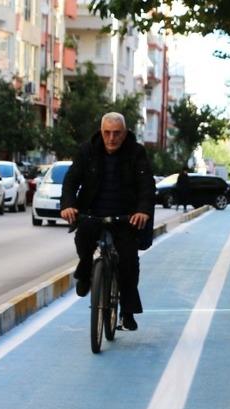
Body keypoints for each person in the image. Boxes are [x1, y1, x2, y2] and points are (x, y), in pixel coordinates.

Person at [60, 112, 155, 331]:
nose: (112, 138)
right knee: (83, 241)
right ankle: (84, 272)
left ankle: (128, 312)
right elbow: (71, 181)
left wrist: (142, 211)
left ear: (125, 133)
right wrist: (68, 205)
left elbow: (146, 186)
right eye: (107, 133)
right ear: (101, 132)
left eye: (117, 133)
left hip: (125, 218)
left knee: (129, 263)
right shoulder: (88, 151)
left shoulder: (136, 152)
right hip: (92, 214)